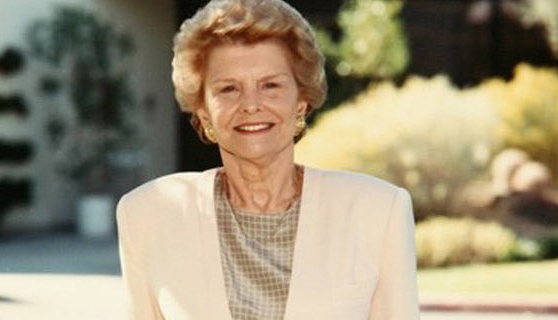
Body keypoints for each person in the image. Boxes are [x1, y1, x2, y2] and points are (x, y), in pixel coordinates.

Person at [116, 0, 419, 319]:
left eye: (270, 85)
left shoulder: (379, 211)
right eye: (229, 88)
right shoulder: (147, 215)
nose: (251, 104)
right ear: (204, 112)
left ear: (300, 103)